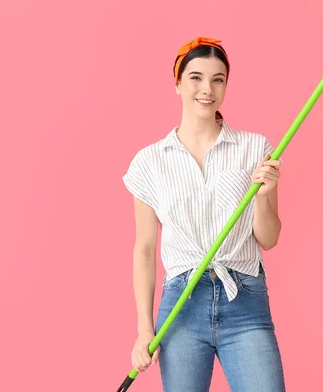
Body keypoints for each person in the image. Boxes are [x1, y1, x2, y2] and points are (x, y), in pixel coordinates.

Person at [122, 36, 286, 392]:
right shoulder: (149, 162)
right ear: (177, 82)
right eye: (195, 77)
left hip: (245, 301)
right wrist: (143, 329)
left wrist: (265, 194)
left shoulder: (255, 149)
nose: (206, 89)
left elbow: (269, 239)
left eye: (218, 79)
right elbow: (145, 250)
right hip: (181, 309)